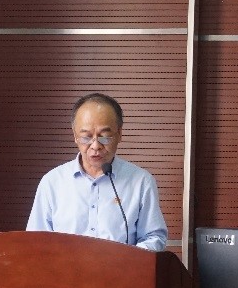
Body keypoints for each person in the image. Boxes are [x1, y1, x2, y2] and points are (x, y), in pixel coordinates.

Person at [26, 93, 167, 251]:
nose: (95, 146)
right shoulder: (52, 182)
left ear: (119, 134)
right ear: (75, 136)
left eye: (105, 137)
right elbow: (35, 241)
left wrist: (127, 260)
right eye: (86, 137)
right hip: (65, 267)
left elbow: (154, 237)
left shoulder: (141, 182)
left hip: (120, 267)